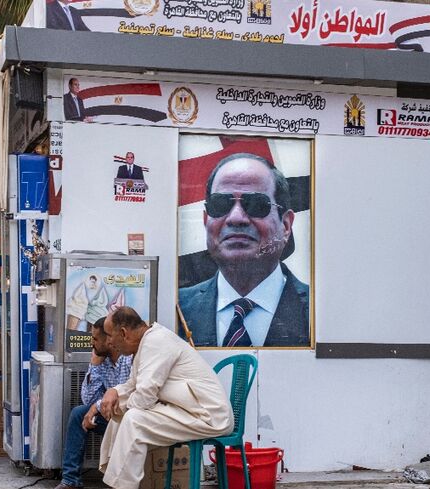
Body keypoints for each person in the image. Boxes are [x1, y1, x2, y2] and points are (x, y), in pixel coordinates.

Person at [178, 153, 310, 347]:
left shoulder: (321, 313)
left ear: (286, 226)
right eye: (221, 204)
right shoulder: (175, 310)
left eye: (256, 204)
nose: (236, 218)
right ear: (206, 221)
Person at [97, 307, 232, 489]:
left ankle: (122, 485)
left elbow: (144, 397)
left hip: (208, 416)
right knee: (120, 415)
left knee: (134, 419)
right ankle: (119, 481)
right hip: (188, 410)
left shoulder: (156, 342)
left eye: (110, 335)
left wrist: (123, 404)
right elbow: (133, 386)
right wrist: (114, 392)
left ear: (124, 333)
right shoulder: (147, 342)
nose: (109, 342)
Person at [56, 317, 132, 489]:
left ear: (109, 340)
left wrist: (96, 406)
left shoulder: (128, 359)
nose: (92, 343)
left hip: (128, 418)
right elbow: (88, 400)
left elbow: (126, 396)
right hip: (110, 416)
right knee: (78, 413)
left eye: (96, 339)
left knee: (90, 411)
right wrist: (94, 365)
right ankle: (70, 480)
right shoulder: (101, 360)